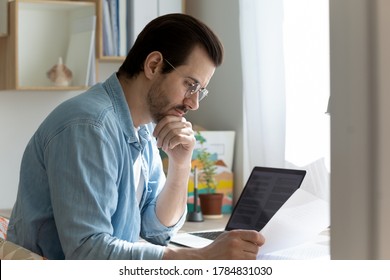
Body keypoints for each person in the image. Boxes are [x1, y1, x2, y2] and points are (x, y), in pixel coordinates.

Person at [7, 13, 265, 259]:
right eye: (191, 85)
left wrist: (180, 163)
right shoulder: (89, 127)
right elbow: (88, 253)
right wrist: (198, 258)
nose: (195, 103)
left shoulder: (141, 128)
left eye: (201, 91)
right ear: (154, 65)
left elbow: (156, 230)